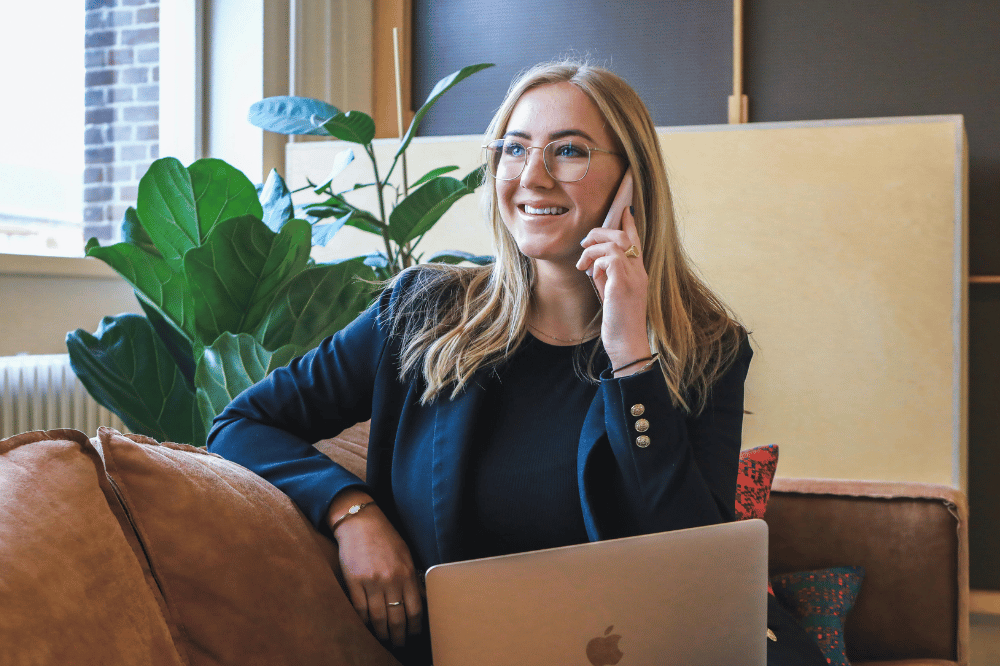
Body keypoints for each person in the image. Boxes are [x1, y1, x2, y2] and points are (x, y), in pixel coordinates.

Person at [207, 60, 824, 666]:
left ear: (631, 182)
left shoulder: (705, 349)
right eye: (513, 148)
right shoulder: (423, 312)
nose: (532, 176)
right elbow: (240, 425)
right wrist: (351, 512)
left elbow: (699, 568)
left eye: (569, 151)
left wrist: (631, 359)